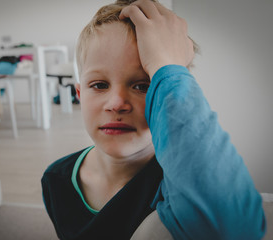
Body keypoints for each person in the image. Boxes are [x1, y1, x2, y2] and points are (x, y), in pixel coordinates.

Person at [41, 0, 266, 239]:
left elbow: (233, 229)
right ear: (79, 94)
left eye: (142, 85)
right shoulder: (55, 179)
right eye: (99, 85)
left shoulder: (176, 185)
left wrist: (165, 66)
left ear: (168, 93)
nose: (116, 103)